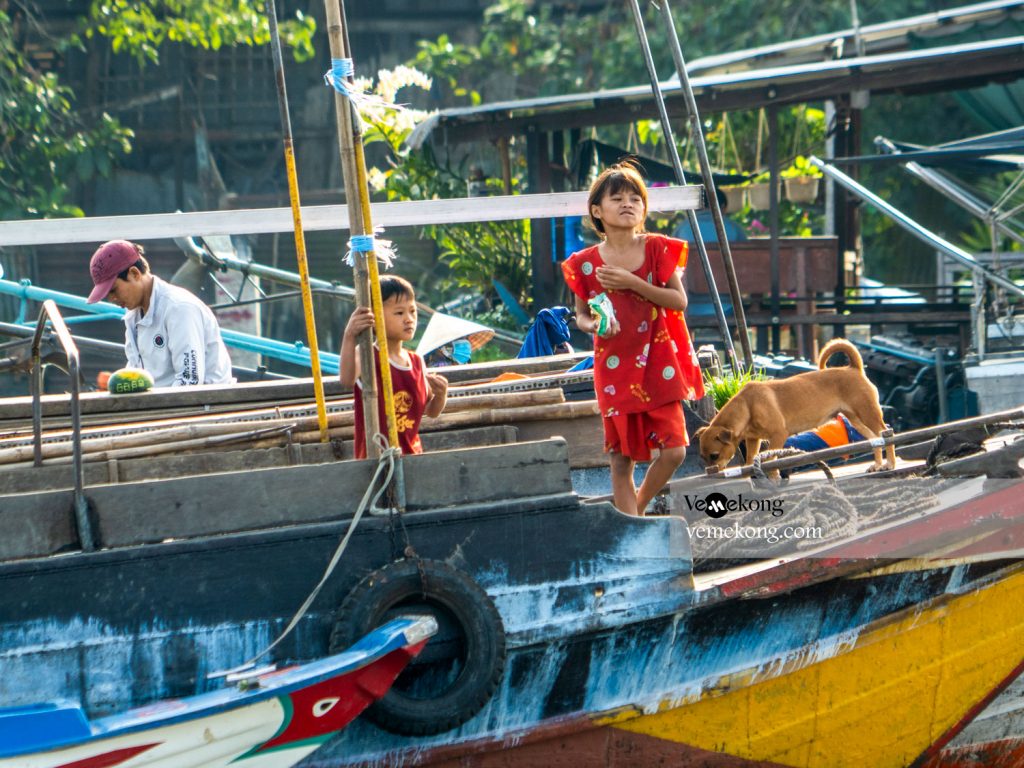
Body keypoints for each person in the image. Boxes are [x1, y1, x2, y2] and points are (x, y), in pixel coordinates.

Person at [562, 161, 704, 516]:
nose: (628, 204)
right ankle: (632, 527)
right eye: (617, 198)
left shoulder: (657, 248)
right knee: (621, 459)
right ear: (597, 210)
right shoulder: (584, 263)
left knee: (675, 451)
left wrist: (633, 283)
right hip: (613, 368)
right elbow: (580, 314)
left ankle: (636, 510)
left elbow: (679, 301)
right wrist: (591, 325)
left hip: (660, 362)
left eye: (635, 199)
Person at [86, 239, 233, 387]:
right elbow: (135, 373)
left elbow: (190, 381)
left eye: (113, 290)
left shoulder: (179, 308)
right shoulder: (133, 316)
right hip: (162, 403)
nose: (112, 299)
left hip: (204, 405)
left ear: (134, 273)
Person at [340, 275, 448, 459]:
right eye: (399, 313)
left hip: (412, 458)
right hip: (375, 461)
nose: (409, 319)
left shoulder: (416, 362)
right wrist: (349, 335)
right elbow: (346, 379)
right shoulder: (366, 355)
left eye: (412, 311)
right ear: (374, 316)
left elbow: (431, 411)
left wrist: (441, 394)